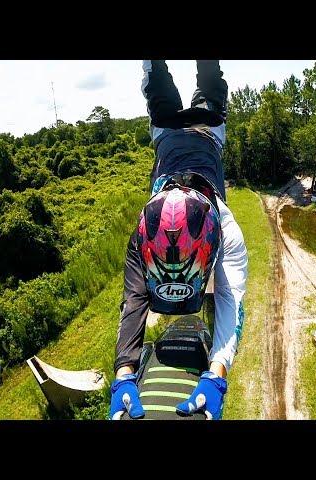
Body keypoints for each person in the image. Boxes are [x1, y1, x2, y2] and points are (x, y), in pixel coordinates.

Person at [110, 60, 248, 420]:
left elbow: (135, 298)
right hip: (192, 131)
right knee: (168, 76)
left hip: (196, 131)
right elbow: (137, 297)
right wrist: (123, 375)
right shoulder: (146, 230)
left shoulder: (223, 230)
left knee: (194, 74)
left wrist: (217, 375)